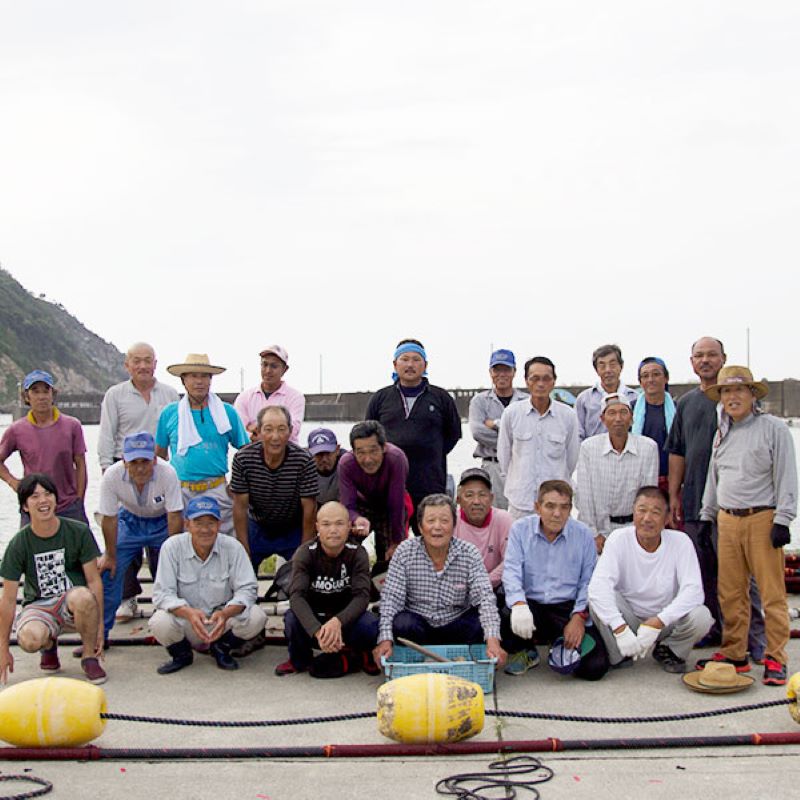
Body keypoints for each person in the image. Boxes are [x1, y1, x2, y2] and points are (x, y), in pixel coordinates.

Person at [697, 366, 797, 686]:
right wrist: (706, 514)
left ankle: (776, 657)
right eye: (726, 391)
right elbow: (716, 477)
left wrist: (783, 520)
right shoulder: (722, 431)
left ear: (752, 395)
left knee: (771, 594)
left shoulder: (773, 429)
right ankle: (735, 653)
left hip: (762, 518)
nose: (732, 397)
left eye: (739, 390)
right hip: (727, 520)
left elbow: (786, 476)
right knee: (730, 593)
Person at [667, 337, 765, 654]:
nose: (705, 360)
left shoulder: (741, 404)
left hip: (736, 505)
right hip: (696, 503)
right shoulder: (685, 404)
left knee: (741, 578)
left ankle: (753, 638)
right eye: (699, 355)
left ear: (723, 358)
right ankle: (714, 628)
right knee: (705, 573)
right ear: (692, 361)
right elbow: (678, 452)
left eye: (712, 355)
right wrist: (674, 496)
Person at [588, 486, 712, 674]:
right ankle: (621, 653)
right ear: (633, 511)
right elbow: (598, 586)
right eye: (642, 510)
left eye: (655, 512)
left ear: (667, 517)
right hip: (628, 618)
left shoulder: (681, 542)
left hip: (664, 622)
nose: (647, 518)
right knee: (599, 596)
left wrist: (659, 621)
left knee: (701, 616)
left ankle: (669, 649)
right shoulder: (618, 539)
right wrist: (620, 629)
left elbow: (694, 591)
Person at [97, 342, 180, 622]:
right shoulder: (115, 395)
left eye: (148, 360)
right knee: (123, 544)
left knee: (164, 546)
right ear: (127, 365)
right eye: (137, 361)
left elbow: (176, 435)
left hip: (160, 474)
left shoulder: (169, 394)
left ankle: (164, 599)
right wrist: (110, 475)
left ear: (156, 363)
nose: (143, 366)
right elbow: (107, 435)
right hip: (125, 475)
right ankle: (127, 599)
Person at [373, 494, 506, 666]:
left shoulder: (469, 553)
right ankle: (420, 657)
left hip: (455, 623)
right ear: (420, 527)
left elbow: (484, 598)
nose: (437, 527)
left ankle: (459, 657)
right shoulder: (405, 552)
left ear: (453, 525)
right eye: (431, 521)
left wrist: (493, 642)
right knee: (402, 623)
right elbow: (391, 600)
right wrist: (384, 641)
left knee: (481, 622)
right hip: (419, 626)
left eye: (444, 521)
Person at [0, 474, 106, 685]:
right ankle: (48, 646)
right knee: (29, 639)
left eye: (48, 494)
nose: (43, 501)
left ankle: (89, 656)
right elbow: (8, 599)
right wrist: (3, 648)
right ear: (25, 507)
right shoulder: (18, 544)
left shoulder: (79, 531)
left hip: (73, 603)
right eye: (34, 496)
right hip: (39, 605)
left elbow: (94, 580)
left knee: (84, 595)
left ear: (56, 500)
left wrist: (101, 625)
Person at [501, 480, 609, 680]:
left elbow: (589, 581)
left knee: (595, 667)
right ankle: (525, 650)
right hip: (530, 605)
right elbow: (511, 571)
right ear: (537, 507)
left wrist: (578, 617)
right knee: (503, 611)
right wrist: (518, 604)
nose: (557, 513)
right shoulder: (520, 530)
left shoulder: (583, 534)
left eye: (564, 507)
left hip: (566, 608)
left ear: (570, 509)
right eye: (550, 506)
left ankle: (559, 643)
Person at [149, 496, 267, 673]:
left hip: (221, 620)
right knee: (159, 622)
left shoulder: (233, 547)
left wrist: (225, 613)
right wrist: (188, 613)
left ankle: (222, 648)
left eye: (211, 523)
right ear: (187, 524)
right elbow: (162, 594)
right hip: (187, 619)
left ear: (219, 525)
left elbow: (248, 590)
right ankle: (181, 654)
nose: (205, 529)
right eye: (198, 523)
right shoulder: (171, 547)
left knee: (257, 616)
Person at [366, 339, 461, 534]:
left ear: (425, 365)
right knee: (390, 543)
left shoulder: (441, 398)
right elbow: (369, 438)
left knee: (430, 538)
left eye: (416, 359)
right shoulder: (380, 398)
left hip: (429, 483)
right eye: (405, 359)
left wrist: (429, 452)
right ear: (395, 364)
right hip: (390, 483)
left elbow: (452, 435)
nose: (410, 365)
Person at [97, 432, 184, 641]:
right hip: (129, 520)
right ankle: (100, 635)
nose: (140, 468)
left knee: (174, 571)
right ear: (124, 462)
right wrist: (110, 554)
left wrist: (173, 553)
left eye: (145, 461)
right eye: (134, 462)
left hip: (162, 520)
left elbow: (175, 515)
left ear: (154, 459)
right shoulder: (111, 476)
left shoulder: (168, 473)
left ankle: (176, 629)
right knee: (109, 572)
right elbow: (108, 518)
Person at [276, 502, 379, 677]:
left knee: (370, 624)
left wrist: (338, 621)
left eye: (339, 524)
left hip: (345, 620)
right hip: (315, 620)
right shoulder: (305, 552)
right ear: (317, 528)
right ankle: (299, 660)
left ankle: (362, 655)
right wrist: (317, 630)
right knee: (292, 620)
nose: (333, 530)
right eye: (326, 524)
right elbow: (297, 597)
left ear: (348, 527)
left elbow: (362, 596)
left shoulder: (358, 553)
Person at [155, 353, 249, 537]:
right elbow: (159, 456)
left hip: (217, 488)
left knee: (226, 541)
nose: (199, 381)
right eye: (193, 376)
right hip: (181, 490)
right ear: (184, 380)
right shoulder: (169, 413)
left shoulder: (227, 412)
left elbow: (246, 452)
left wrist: (236, 485)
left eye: (204, 376)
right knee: (181, 544)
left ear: (210, 380)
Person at [230, 406, 318, 573]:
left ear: (290, 431)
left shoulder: (303, 460)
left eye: (281, 429)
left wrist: (305, 551)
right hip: (257, 524)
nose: (275, 437)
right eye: (268, 430)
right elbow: (239, 507)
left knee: (303, 573)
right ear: (258, 431)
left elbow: (309, 509)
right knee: (241, 571)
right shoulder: (243, 459)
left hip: (293, 525)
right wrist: (243, 549)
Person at [0, 370, 89, 525]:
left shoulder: (72, 426)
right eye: (35, 391)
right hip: (34, 507)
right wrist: (13, 482)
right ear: (27, 397)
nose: (41, 396)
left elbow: (81, 464)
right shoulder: (16, 430)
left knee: (82, 548)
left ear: (53, 394)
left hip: (69, 507)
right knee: (29, 549)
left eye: (46, 390)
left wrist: (79, 500)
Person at [497, 356, 579, 521]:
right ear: (527, 381)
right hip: (520, 503)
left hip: (556, 505)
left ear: (554, 382)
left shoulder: (568, 416)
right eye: (535, 378)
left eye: (546, 378)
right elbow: (504, 457)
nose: (540, 384)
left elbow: (571, 460)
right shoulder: (512, 414)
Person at [576, 394, 659, 553]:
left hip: (634, 530)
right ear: (602, 418)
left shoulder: (648, 448)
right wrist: (593, 534)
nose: (618, 418)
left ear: (632, 418)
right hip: (600, 531)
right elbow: (584, 495)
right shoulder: (589, 448)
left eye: (623, 412)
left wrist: (640, 532)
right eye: (612, 413)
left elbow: (649, 495)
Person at [338, 420, 411, 562]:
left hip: (389, 504)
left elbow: (396, 503)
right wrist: (356, 519)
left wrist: (396, 541)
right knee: (343, 542)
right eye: (361, 453)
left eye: (373, 451)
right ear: (353, 451)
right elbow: (347, 506)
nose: (368, 459)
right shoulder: (346, 464)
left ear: (384, 447)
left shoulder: (396, 459)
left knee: (393, 554)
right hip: (362, 504)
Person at [467, 349, 527, 509]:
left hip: (521, 466)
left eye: (506, 369)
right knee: (494, 517)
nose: (501, 374)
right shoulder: (479, 401)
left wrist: (495, 424)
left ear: (514, 372)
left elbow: (530, 434)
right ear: (490, 372)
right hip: (492, 467)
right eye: (497, 369)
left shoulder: (526, 401)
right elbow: (478, 432)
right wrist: (515, 438)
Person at [453, 468, 513, 592]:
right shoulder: (451, 521)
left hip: (494, 587)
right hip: (458, 588)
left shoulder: (504, 519)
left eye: (482, 495)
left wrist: (482, 584)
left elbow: (510, 561)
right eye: (469, 495)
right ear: (458, 500)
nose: (476, 501)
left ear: (491, 498)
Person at [234, 345, 305, 444]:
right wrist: (277, 429)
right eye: (264, 364)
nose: (268, 370)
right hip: (251, 454)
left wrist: (255, 429)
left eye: (274, 366)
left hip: (287, 456)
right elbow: (239, 432)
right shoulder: (244, 397)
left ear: (285, 369)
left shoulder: (295, 397)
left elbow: (293, 431)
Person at [574, 345, 639, 442]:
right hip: (593, 454)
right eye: (602, 365)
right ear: (596, 370)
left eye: (612, 364)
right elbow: (577, 434)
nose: (607, 370)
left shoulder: (634, 397)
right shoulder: (584, 399)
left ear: (621, 366)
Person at [632, 357, 675, 491]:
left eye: (656, 374)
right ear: (640, 381)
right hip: (638, 479)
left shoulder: (678, 411)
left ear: (666, 378)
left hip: (672, 480)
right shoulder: (629, 411)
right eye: (645, 376)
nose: (651, 379)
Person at [307, 428, 345, 506]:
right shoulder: (303, 466)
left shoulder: (347, 464)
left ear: (337, 449)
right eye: (319, 454)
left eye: (328, 453)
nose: (324, 459)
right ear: (309, 453)